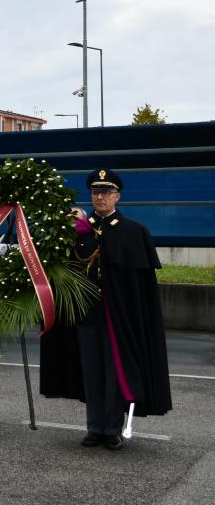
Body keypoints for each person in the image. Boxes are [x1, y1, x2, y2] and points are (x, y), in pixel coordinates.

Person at [41, 168, 171, 451]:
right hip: (86, 314)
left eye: (106, 192)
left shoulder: (133, 232)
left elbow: (140, 287)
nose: (100, 197)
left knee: (115, 374)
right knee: (91, 372)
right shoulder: (77, 230)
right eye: (96, 192)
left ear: (117, 196)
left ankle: (112, 429)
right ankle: (94, 427)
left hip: (118, 317)